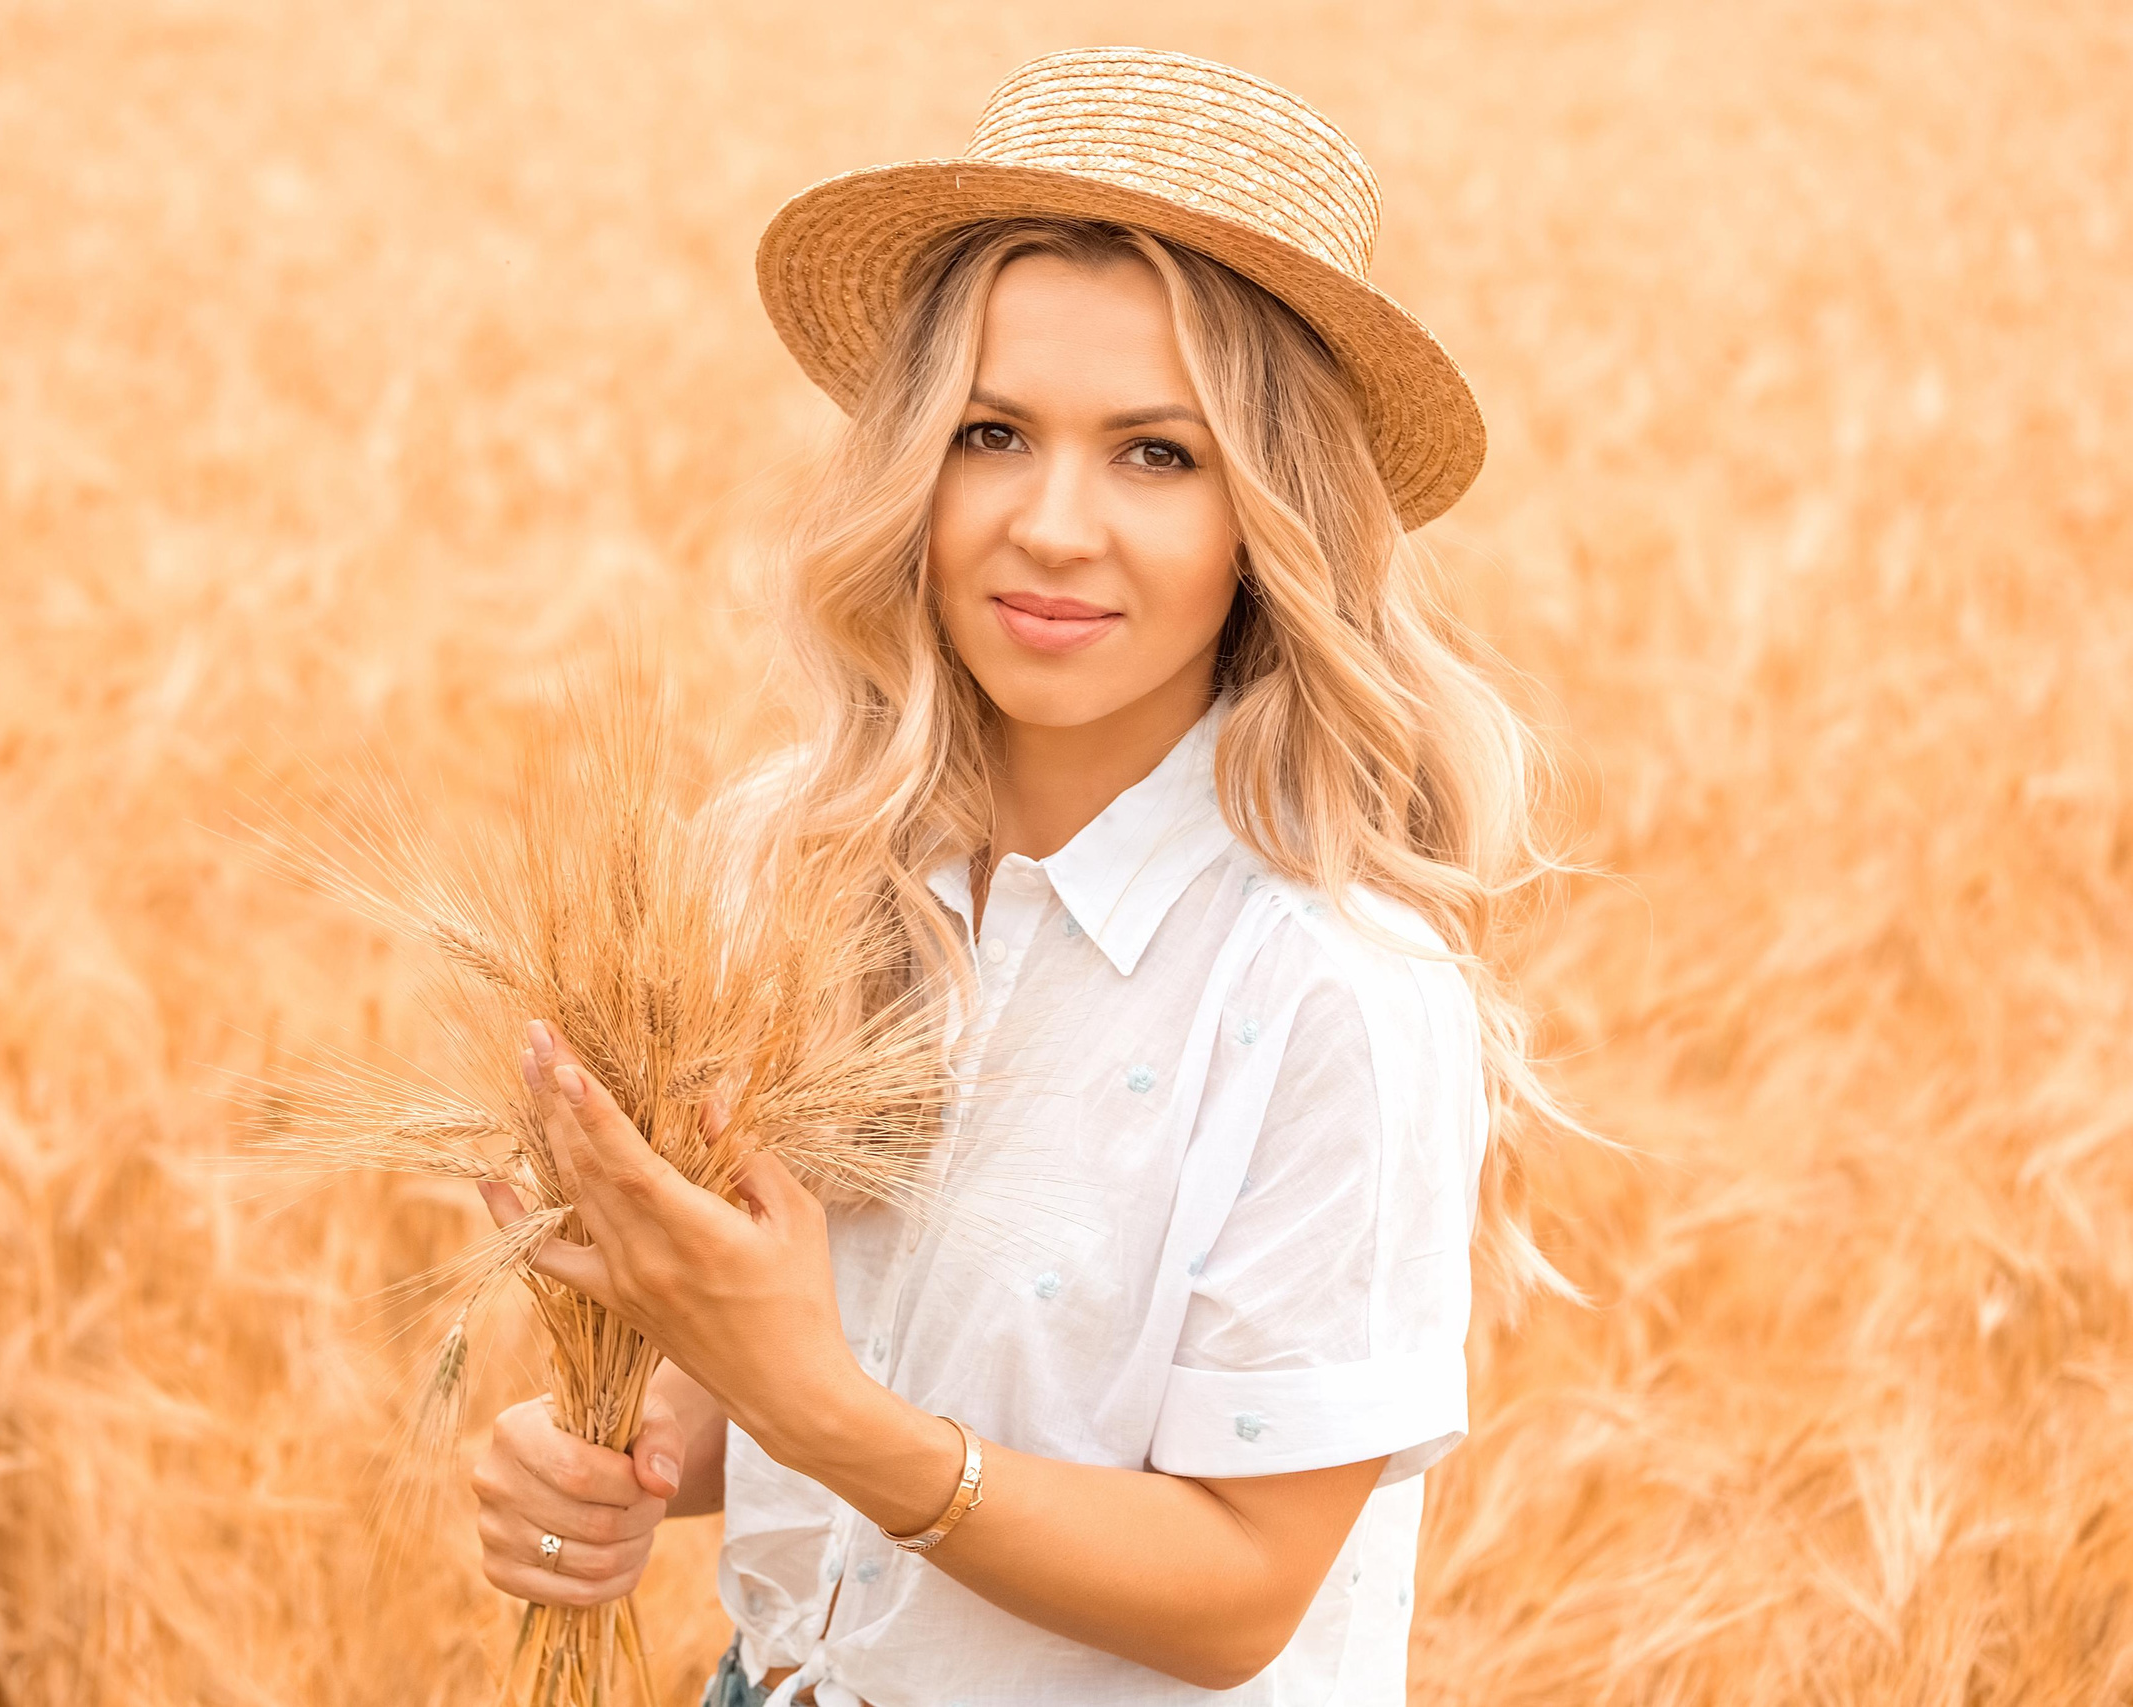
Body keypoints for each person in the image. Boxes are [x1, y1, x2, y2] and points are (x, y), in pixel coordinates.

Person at [468, 45, 1571, 1707]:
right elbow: (807, 1360)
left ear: (1271, 519)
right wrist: (614, 1448)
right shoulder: (792, 867)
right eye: (993, 432)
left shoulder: (1333, 985)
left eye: (1157, 454)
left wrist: (823, 1409)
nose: (1052, 526)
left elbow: (1238, 1594)